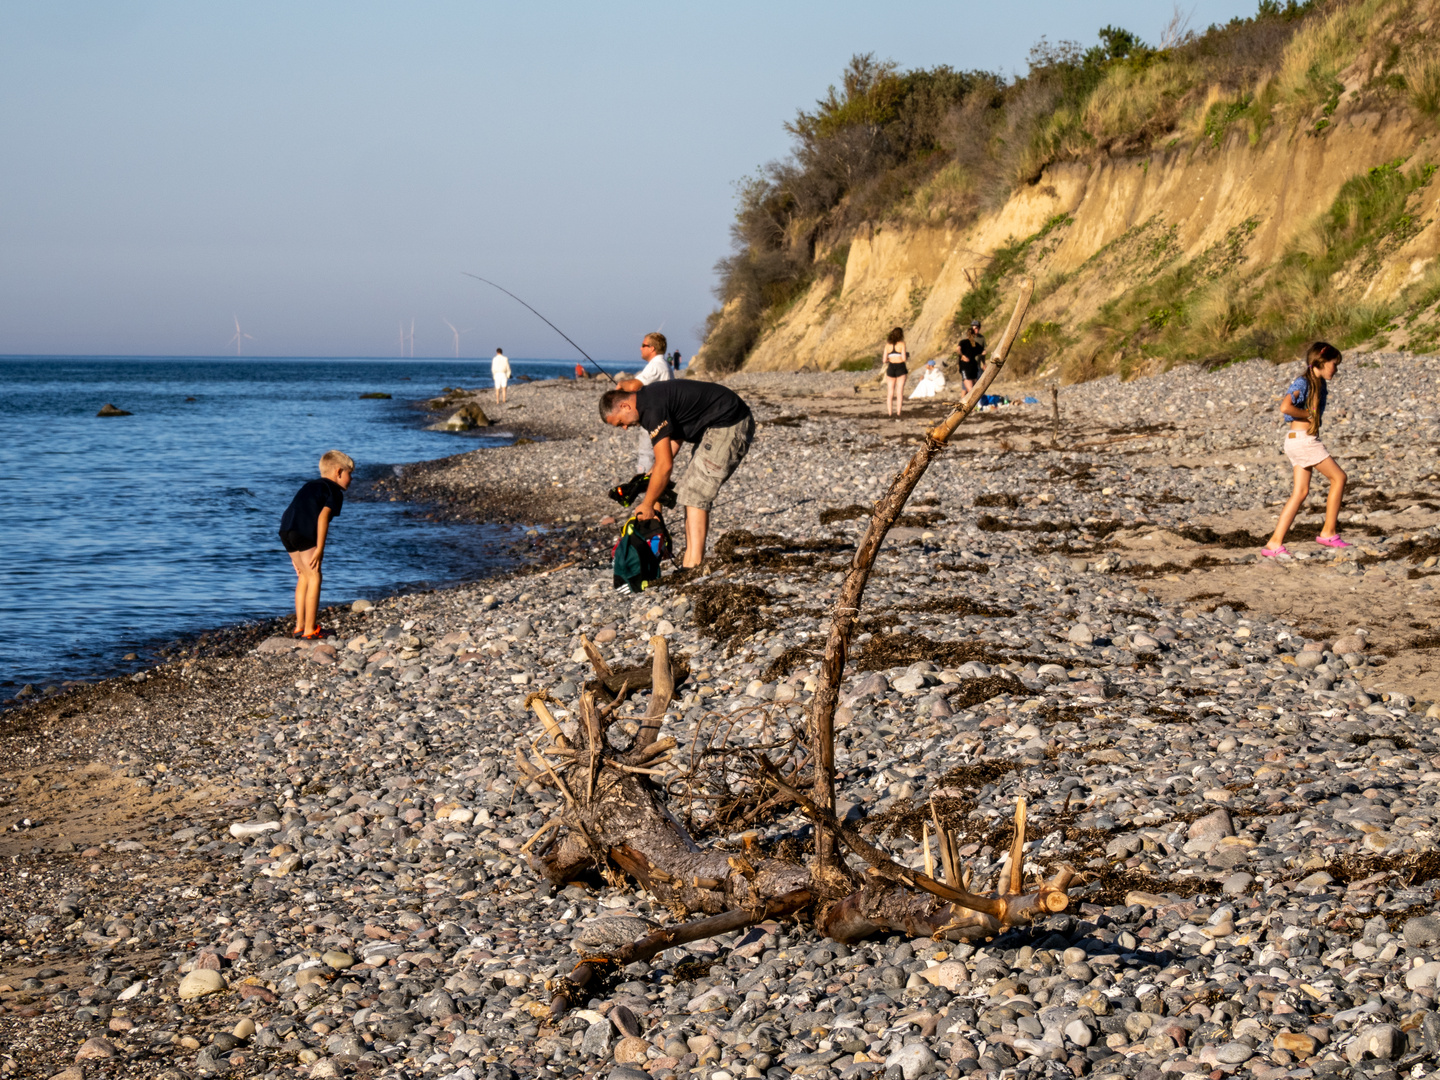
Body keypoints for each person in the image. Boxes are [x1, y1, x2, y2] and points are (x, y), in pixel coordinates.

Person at [599, 379, 754, 568]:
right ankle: (691, 561)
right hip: (715, 424)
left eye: (620, 423)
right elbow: (675, 438)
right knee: (688, 492)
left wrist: (647, 504)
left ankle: (693, 564)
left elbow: (666, 465)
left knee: (696, 494)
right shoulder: (649, 398)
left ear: (624, 405)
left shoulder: (651, 410)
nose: (624, 428)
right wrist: (648, 477)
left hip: (729, 423)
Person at [1262, 341, 1349, 557]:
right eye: (1334, 364)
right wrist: (1309, 415)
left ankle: (1274, 543)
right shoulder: (1303, 382)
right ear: (1321, 362)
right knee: (1339, 478)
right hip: (1304, 440)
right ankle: (1328, 532)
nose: (1336, 369)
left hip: (1295, 440)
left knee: (1300, 492)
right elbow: (1285, 407)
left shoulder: (1318, 383)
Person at [278, 450, 354, 639]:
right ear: (338, 472)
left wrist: (293, 556)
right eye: (349, 474)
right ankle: (310, 630)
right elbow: (322, 518)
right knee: (315, 576)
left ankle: (299, 627)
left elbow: (291, 510)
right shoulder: (333, 491)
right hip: (303, 530)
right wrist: (320, 548)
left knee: (303, 575)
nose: (350, 479)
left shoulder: (311, 485)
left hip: (286, 529)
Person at [632, 331, 675, 472]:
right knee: (656, 458)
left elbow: (635, 385)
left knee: (646, 456)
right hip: (662, 419)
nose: (640, 348)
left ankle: (644, 488)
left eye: (643, 345)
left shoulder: (656, 365)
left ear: (652, 348)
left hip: (654, 420)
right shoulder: (665, 364)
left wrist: (620, 385)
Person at [882, 326, 909, 419]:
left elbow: (884, 360)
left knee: (890, 392)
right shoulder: (902, 344)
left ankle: (890, 413)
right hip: (900, 367)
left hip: (891, 367)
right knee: (899, 392)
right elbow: (904, 358)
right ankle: (898, 413)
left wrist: (891, 358)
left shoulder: (887, 345)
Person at [957, 320, 987, 394]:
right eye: (973, 328)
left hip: (977, 364)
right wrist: (962, 358)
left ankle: (975, 402)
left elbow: (983, 352)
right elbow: (959, 350)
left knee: (976, 385)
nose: (975, 330)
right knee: (966, 387)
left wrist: (984, 363)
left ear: (979, 328)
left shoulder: (981, 339)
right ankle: (964, 402)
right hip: (967, 365)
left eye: (976, 328)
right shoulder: (966, 339)